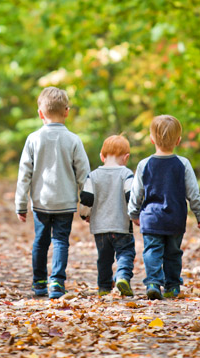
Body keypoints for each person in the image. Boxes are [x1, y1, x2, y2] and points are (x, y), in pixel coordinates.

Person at [15, 86, 90, 299]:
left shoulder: (33, 139)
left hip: (41, 202)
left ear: (40, 114)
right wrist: (85, 208)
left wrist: (20, 204)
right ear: (67, 111)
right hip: (65, 202)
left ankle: (39, 282)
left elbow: (24, 175)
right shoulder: (74, 140)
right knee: (60, 241)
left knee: (41, 240)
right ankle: (57, 281)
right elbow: (84, 176)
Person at [128, 115, 200, 300]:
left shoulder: (144, 164)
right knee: (173, 253)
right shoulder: (183, 164)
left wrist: (133, 212)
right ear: (178, 140)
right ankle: (172, 286)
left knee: (152, 251)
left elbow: (136, 192)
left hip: (151, 217)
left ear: (151, 139)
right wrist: (199, 213)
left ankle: (154, 282)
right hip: (175, 217)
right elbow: (193, 192)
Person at [80, 135, 136, 297]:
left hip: (100, 227)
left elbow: (86, 198)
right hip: (122, 226)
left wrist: (85, 215)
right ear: (126, 158)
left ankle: (104, 287)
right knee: (126, 253)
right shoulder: (126, 174)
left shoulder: (93, 175)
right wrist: (135, 215)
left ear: (102, 156)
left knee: (104, 259)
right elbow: (130, 196)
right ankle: (122, 276)